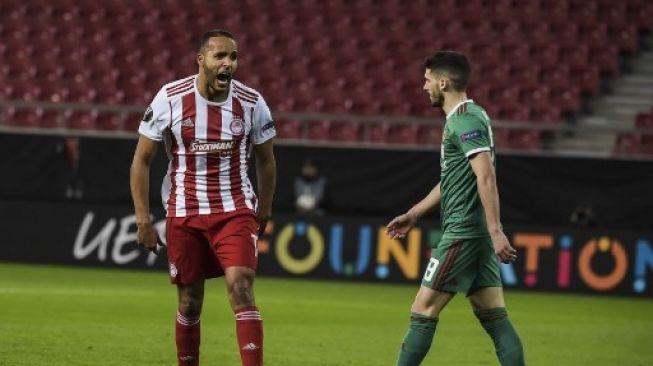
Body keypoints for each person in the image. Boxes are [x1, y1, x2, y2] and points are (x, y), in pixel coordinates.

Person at [130, 29, 276, 366]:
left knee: (241, 286)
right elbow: (141, 160)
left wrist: (264, 208)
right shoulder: (169, 98)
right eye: (220, 56)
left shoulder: (252, 103)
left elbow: (266, 159)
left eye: (233, 57)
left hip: (235, 209)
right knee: (190, 301)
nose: (228, 63)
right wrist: (143, 220)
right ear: (201, 60)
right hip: (185, 211)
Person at [386, 51, 524, 366]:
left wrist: (496, 231)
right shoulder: (470, 116)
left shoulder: (465, 120)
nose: (424, 87)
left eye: (427, 80)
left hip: (464, 232)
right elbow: (452, 179)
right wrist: (415, 213)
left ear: (443, 82)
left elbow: (485, 176)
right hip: (475, 235)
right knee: (494, 315)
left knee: (423, 309)